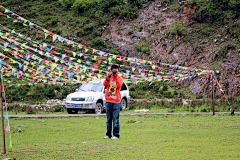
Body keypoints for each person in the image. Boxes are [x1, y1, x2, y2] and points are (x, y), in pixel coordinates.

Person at [103, 64, 123, 140]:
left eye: (116, 70)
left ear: (118, 70)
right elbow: (104, 84)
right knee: (108, 119)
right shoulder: (109, 77)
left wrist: (115, 77)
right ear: (111, 70)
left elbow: (118, 86)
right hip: (108, 100)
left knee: (115, 119)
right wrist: (108, 76)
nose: (114, 71)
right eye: (113, 70)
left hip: (116, 101)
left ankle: (116, 135)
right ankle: (108, 134)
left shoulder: (120, 78)